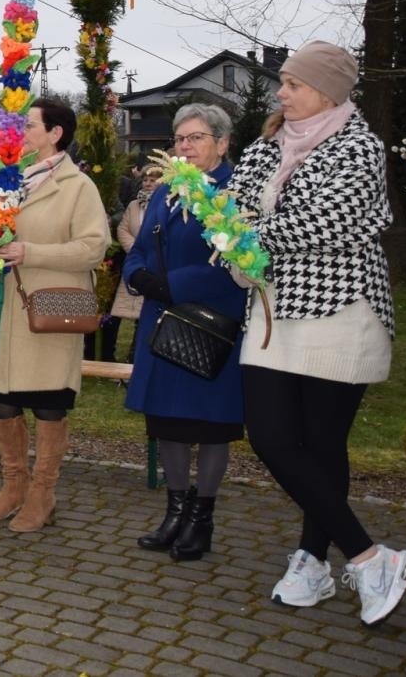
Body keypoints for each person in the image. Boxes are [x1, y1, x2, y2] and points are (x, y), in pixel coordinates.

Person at [225, 41, 406, 625]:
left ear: (328, 92)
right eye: (283, 82)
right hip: (272, 312)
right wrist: (233, 236)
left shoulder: (359, 146)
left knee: (322, 444)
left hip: (340, 311)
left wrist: (244, 235)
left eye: (294, 84)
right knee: (271, 437)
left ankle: (313, 561)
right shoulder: (265, 147)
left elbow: (326, 222)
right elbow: (229, 210)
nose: (281, 93)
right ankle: (370, 557)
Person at [0, 97, 110, 532]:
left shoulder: (78, 186)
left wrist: (32, 252)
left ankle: (43, 493)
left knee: (48, 404)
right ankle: (14, 486)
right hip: (3, 311)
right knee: (2, 400)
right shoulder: (4, 180)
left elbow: (94, 247)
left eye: (28, 126)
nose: (18, 134)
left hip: (51, 312)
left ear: (55, 133)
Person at [121, 104, 247, 561]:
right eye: (179, 139)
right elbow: (141, 244)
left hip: (210, 322)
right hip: (162, 323)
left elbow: (235, 260)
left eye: (196, 138)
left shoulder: (234, 190)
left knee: (210, 426)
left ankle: (201, 518)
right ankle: (175, 512)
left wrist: (172, 285)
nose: (185, 146)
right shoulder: (167, 190)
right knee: (167, 422)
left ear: (222, 143)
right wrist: (137, 275)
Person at [97, 165, 162, 364]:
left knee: (145, 314)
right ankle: (110, 356)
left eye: (153, 180)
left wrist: (149, 252)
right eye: (145, 180)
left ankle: (135, 358)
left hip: (155, 266)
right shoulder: (134, 205)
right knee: (121, 311)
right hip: (134, 263)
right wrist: (136, 249)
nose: (148, 184)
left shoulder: (165, 204)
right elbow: (123, 229)